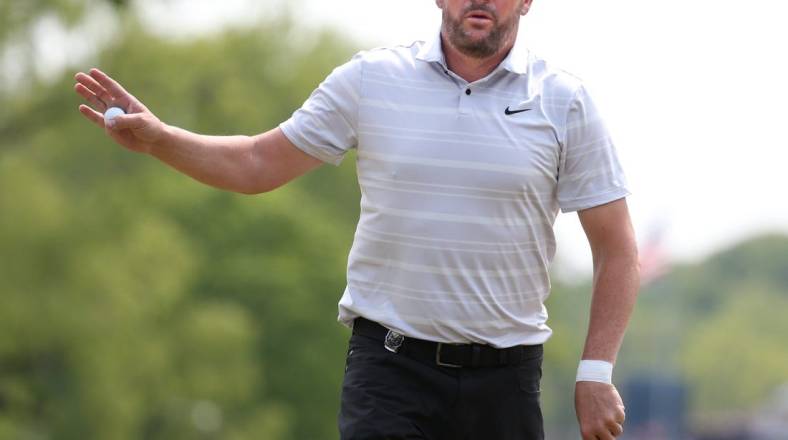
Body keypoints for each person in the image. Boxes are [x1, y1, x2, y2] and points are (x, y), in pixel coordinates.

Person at [73, 0, 639, 438]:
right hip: (390, 369)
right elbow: (256, 163)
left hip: (506, 379)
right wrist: (161, 141)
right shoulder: (372, 80)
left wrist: (594, 372)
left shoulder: (563, 101)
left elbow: (617, 250)